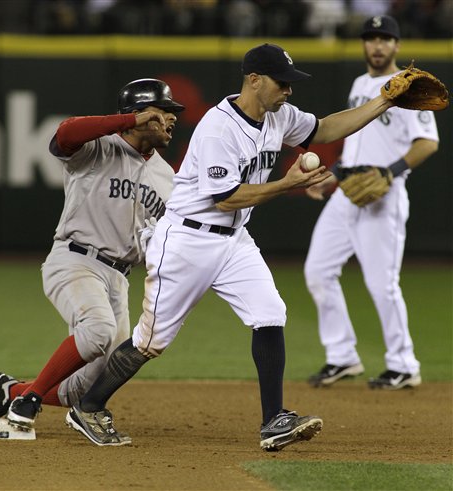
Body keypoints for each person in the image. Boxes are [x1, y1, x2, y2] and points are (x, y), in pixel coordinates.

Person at [56, 42, 410, 452]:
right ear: (254, 80)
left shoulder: (279, 116)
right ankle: (90, 404)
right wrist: (288, 184)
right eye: (282, 82)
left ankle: (274, 420)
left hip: (234, 240)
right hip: (187, 240)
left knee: (270, 312)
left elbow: (327, 128)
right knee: (150, 341)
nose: (289, 90)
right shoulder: (219, 127)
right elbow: (225, 198)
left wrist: (383, 102)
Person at [0, 79, 185, 444]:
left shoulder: (168, 176)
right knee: (98, 330)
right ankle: (29, 399)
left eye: (171, 113)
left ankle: (10, 391)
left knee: (87, 382)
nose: (171, 119)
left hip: (120, 278)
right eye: (164, 111)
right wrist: (126, 122)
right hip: (75, 261)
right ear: (139, 114)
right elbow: (64, 134)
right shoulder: (98, 148)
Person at [305, 16, 439, 390]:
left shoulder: (407, 87)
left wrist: (392, 172)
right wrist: (330, 178)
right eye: (371, 38)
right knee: (318, 271)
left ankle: (403, 364)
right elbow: (354, 147)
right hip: (349, 191)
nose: (377, 45)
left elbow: (428, 142)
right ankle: (342, 356)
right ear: (364, 45)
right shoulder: (360, 85)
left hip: (385, 194)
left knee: (382, 284)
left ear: (396, 45)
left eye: (385, 38)